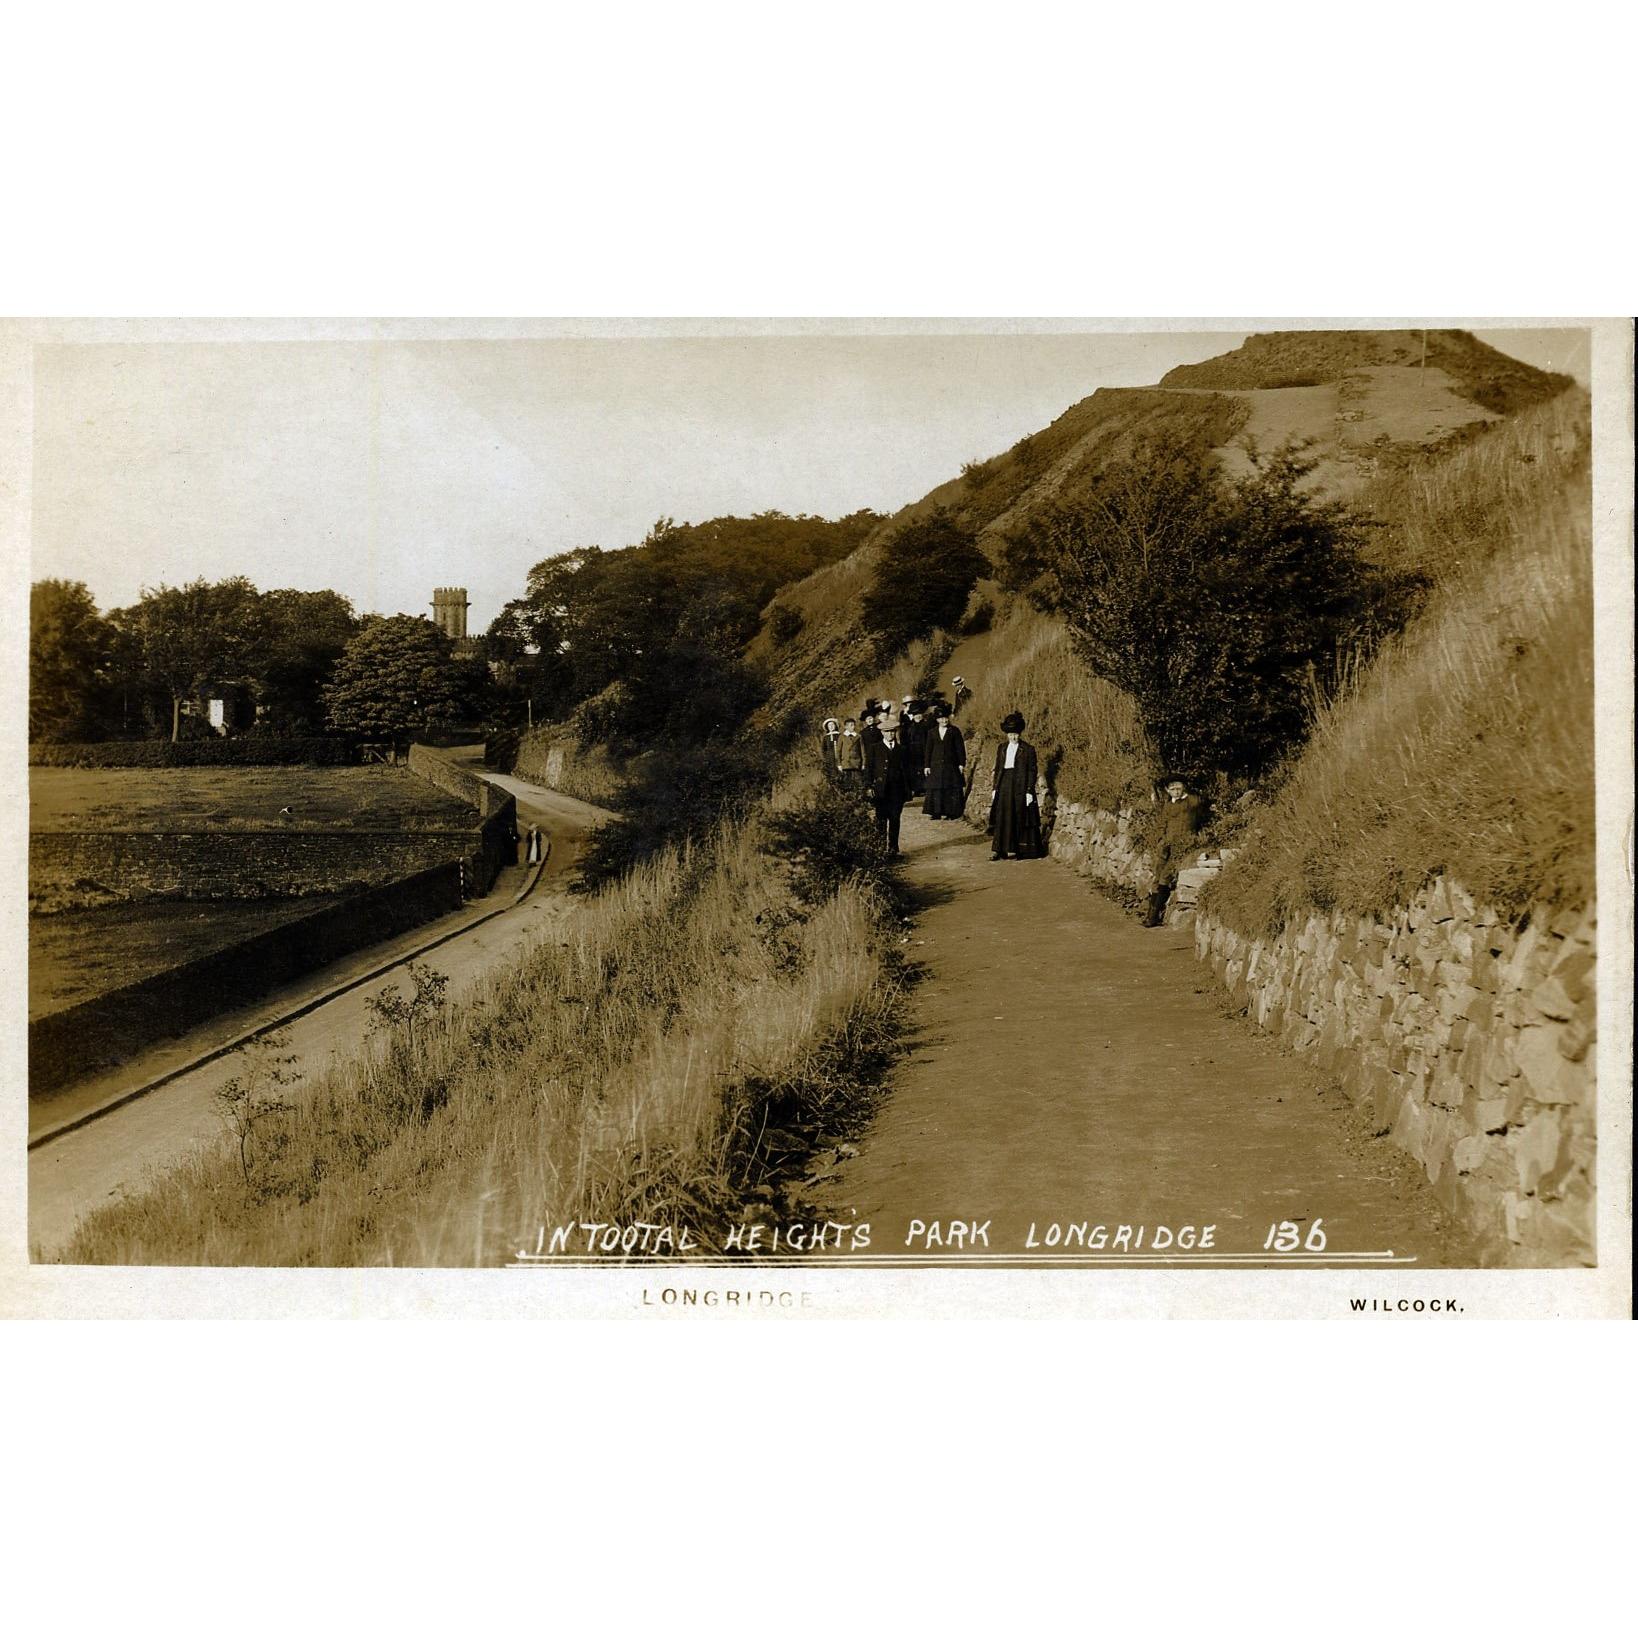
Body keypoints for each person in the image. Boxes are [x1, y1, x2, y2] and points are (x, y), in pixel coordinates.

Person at [1142, 777, 1207, 926]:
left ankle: (1153, 917)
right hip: (1167, 845)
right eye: (1172, 789)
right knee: (1158, 876)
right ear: (1167, 790)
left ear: (1183, 787)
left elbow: (1199, 804)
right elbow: (1162, 824)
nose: (1176, 792)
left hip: (1183, 845)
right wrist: (1160, 841)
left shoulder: (1190, 802)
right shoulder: (1168, 805)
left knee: (1166, 876)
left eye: (1178, 788)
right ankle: (1150, 913)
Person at [987, 710, 1041, 860]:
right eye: (1010, 734)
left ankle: (1019, 850)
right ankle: (999, 850)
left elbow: (1032, 771)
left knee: (1018, 816)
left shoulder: (1028, 749)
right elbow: (998, 768)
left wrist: (1029, 791)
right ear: (1006, 734)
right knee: (1002, 817)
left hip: (1020, 785)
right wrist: (994, 788)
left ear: (1020, 733)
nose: (1013, 737)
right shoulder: (1002, 748)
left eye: (1016, 734)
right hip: (1004, 784)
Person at [864, 707, 913, 855]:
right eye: (887, 732)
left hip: (897, 791)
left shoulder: (902, 750)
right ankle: (880, 848)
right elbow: (869, 769)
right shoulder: (874, 749)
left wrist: (908, 789)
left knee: (895, 819)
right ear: (882, 733)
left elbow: (907, 771)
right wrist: (868, 786)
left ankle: (893, 848)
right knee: (880, 820)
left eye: (892, 731)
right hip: (880, 791)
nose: (890, 734)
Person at [922, 701, 967, 818]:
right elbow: (928, 750)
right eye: (941, 718)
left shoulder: (954, 731)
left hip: (950, 765)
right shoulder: (932, 733)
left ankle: (950, 812)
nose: (944, 720)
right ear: (937, 720)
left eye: (946, 718)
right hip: (936, 765)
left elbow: (960, 749)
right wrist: (927, 765)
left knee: (949, 788)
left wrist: (961, 763)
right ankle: (935, 812)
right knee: (936, 789)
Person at [902, 701, 928, 797]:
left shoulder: (926, 726)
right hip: (912, 752)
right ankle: (917, 788)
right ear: (912, 715)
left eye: (919, 714)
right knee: (914, 770)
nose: (918, 716)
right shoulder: (909, 727)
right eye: (915, 714)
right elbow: (905, 740)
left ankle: (925, 787)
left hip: (924, 750)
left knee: (924, 768)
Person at [835, 717, 865, 792]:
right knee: (847, 783)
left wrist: (863, 763)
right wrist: (839, 764)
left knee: (858, 783)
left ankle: (859, 798)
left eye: (853, 725)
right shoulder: (842, 736)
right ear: (846, 727)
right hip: (846, 763)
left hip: (856, 763)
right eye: (851, 725)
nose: (853, 727)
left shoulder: (858, 736)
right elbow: (838, 751)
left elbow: (862, 751)